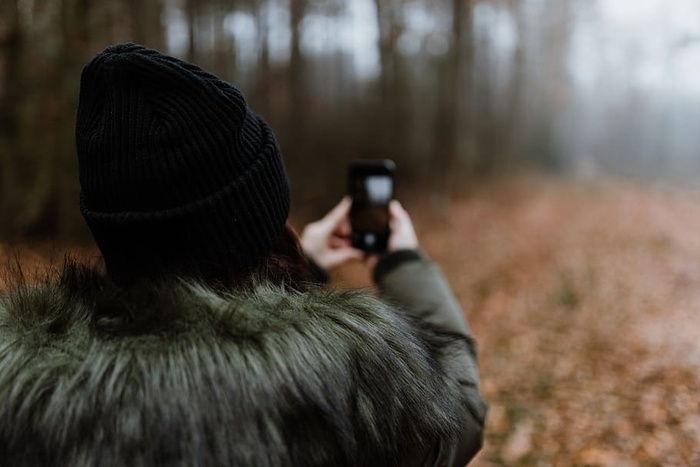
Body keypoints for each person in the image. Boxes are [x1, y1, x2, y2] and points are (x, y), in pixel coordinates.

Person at [0, 43, 487, 466]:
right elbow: (457, 412)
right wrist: (402, 263)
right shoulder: (343, 382)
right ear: (262, 227)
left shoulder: (29, 402)